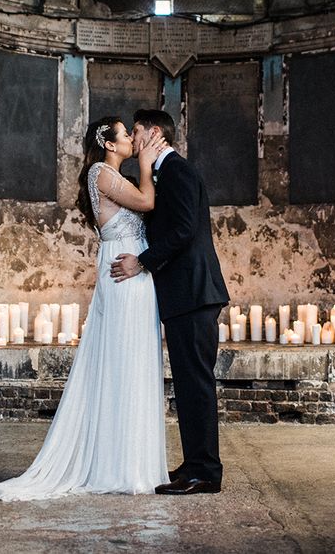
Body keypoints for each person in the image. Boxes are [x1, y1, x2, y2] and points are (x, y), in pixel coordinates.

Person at [0, 117, 169, 500]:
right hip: (124, 275)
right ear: (110, 144)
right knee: (123, 361)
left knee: (133, 361)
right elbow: (146, 202)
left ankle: (129, 460)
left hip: (134, 272)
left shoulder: (112, 175)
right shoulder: (101, 172)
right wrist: (146, 165)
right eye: (126, 134)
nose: (131, 139)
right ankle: (118, 465)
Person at [111, 109, 229, 496]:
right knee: (188, 382)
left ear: (154, 133)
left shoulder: (177, 171)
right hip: (185, 295)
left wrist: (140, 263)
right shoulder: (165, 173)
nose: (133, 138)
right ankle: (196, 462)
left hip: (194, 294)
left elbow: (182, 231)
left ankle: (206, 472)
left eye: (138, 131)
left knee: (195, 383)